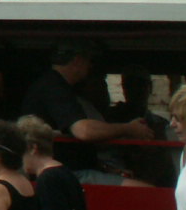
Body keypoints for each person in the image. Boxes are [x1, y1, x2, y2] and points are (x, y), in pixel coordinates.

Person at [20, 44, 154, 179]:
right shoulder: (54, 88)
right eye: (88, 60)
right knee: (144, 188)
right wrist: (129, 128)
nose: (90, 66)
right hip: (65, 174)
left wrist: (106, 167)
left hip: (70, 169)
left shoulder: (56, 86)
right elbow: (84, 131)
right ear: (77, 61)